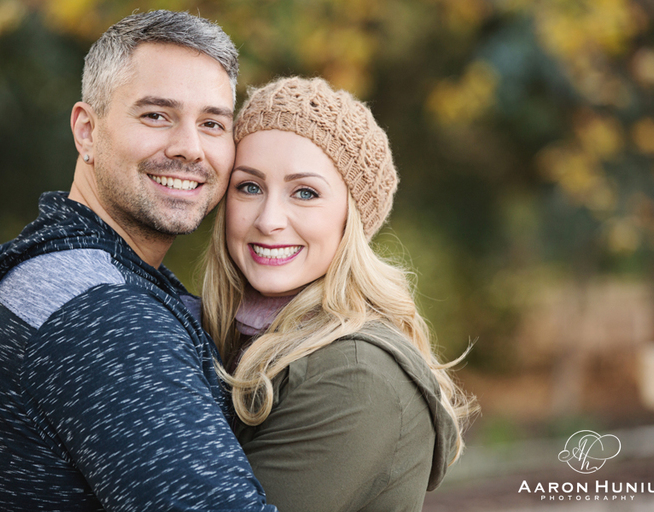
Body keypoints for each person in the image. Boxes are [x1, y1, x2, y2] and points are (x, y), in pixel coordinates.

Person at [0, 10, 277, 511]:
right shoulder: (102, 313)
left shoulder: (67, 271)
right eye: (156, 115)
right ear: (86, 130)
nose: (190, 149)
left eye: (212, 123)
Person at [201, 76, 476, 512]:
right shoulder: (221, 334)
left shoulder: (355, 375)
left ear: (351, 219)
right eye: (249, 186)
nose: (269, 219)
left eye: (305, 192)